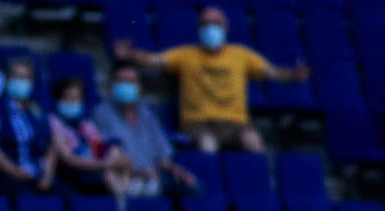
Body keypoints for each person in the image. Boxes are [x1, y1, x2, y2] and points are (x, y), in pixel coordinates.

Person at [115, 5, 309, 153]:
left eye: (215, 23)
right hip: (197, 123)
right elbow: (154, 60)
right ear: (199, 28)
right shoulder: (185, 54)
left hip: (235, 123)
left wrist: (294, 75)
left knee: (253, 142)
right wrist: (131, 54)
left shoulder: (242, 54)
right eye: (205, 24)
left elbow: (272, 72)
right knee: (208, 145)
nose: (210, 28)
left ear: (225, 27)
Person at [91, 61, 198, 198]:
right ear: (113, 85)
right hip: (125, 178)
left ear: (139, 86)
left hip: (154, 176)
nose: (126, 86)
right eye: (121, 81)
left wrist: (174, 169)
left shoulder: (148, 115)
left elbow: (162, 155)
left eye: (130, 81)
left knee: (191, 186)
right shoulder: (100, 114)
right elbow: (101, 155)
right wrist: (138, 172)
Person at [0, 57, 56, 194]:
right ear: (8, 79)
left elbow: (50, 145)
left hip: (35, 174)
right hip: (4, 175)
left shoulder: (36, 112)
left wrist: (47, 175)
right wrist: (14, 171)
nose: (21, 82)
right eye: (17, 76)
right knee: (25, 194)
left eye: (26, 78)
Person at [48, 76, 131, 199]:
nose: (72, 102)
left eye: (77, 99)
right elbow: (70, 159)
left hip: (94, 164)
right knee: (108, 173)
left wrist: (115, 158)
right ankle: (124, 204)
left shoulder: (85, 124)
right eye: (68, 98)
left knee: (115, 152)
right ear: (59, 99)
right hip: (73, 172)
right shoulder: (53, 122)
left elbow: (99, 148)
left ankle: (126, 198)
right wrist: (105, 164)